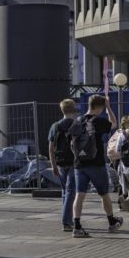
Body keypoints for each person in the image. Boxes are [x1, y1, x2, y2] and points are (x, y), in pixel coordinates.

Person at [71, 95, 122, 238]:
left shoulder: (77, 121)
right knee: (104, 194)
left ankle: (77, 226)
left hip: (79, 164)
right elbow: (114, 124)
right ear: (100, 107)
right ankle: (112, 222)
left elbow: (72, 142)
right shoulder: (98, 121)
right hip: (96, 163)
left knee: (79, 194)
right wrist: (109, 107)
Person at [48, 98, 78, 232]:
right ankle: (66, 221)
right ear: (74, 108)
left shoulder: (55, 126)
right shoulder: (77, 124)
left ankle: (68, 218)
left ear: (62, 110)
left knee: (65, 191)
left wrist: (53, 165)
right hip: (74, 161)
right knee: (71, 191)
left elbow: (50, 148)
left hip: (60, 162)